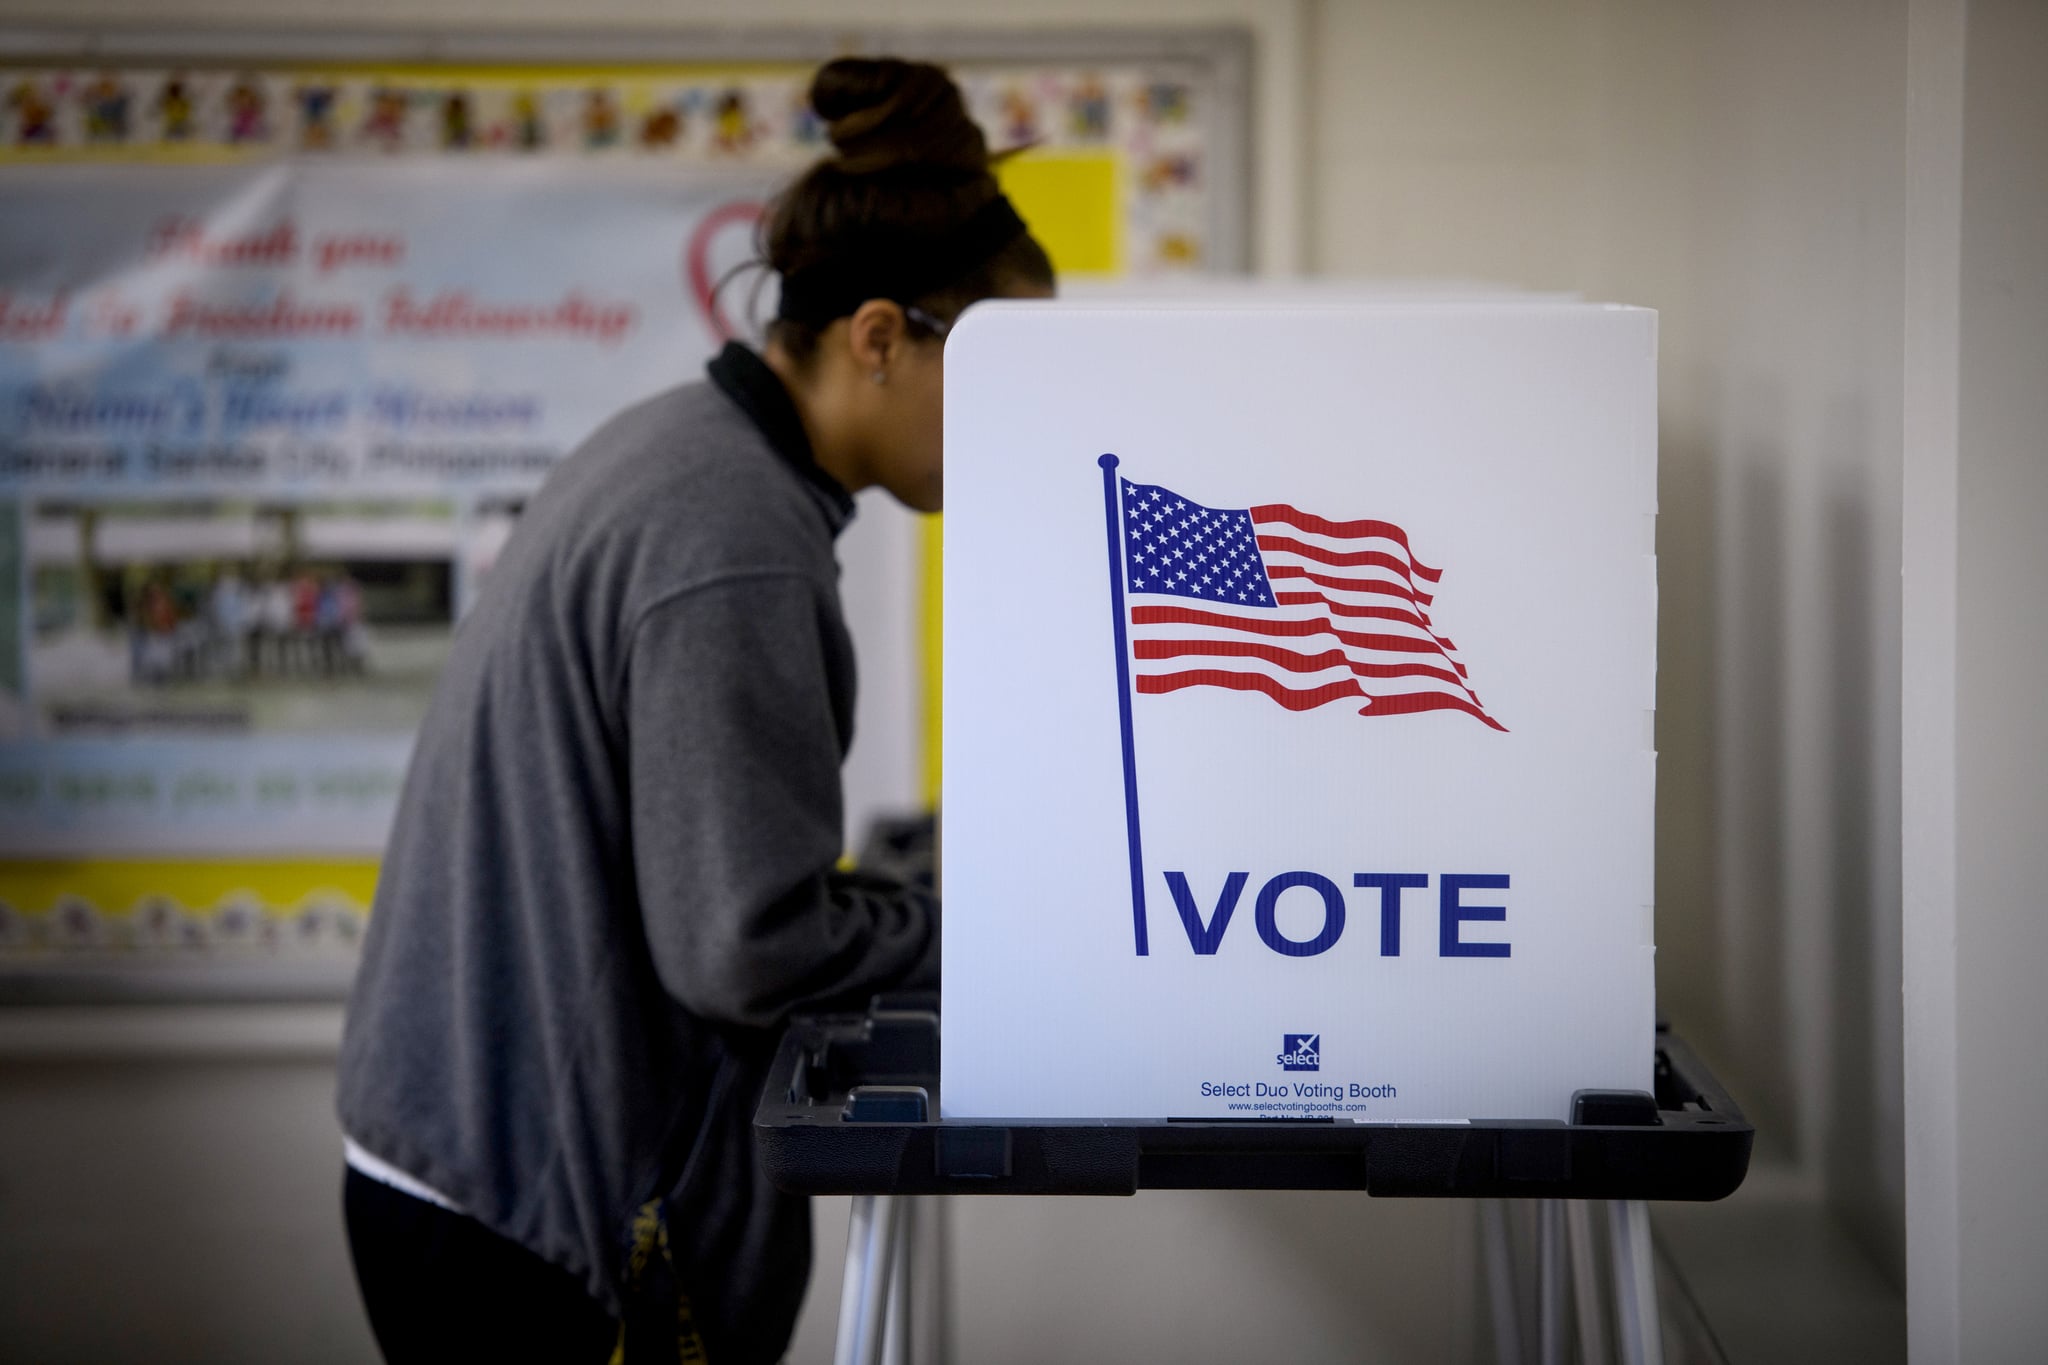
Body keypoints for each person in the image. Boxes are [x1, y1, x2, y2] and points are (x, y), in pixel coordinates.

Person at [336, 57, 1054, 1365]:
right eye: (1002, 374)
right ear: (880, 337)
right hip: (532, 1223)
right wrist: (1021, 934)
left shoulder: (690, 453)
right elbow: (747, 946)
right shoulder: (730, 531)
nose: (1026, 425)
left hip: (458, 1155)